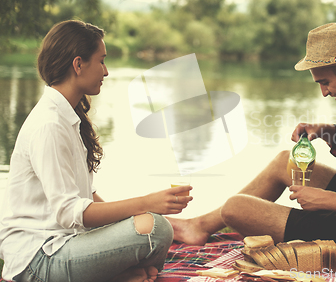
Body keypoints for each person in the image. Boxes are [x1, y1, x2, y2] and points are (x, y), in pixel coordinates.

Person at [168, 22, 336, 247]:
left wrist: (331, 201)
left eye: (325, 82)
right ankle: (199, 227)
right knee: (285, 160)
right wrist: (326, 131)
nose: (324, 92)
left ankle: (201, 226)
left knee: (234, 208)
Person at [0, 20, 193, 282]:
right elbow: (70, 213)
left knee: (154, 224)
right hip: (38, 260)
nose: (106, 71)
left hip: (66, 244)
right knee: (155, 229)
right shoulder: (49, 125)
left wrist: (144, 211)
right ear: (78, 65)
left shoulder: (67, 117)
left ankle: (121, 275)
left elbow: (86, 197)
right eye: (101, 61)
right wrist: (147, 202)